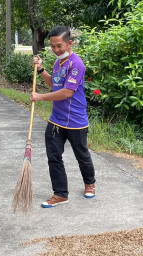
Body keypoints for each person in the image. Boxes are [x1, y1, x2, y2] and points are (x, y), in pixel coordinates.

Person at [31, 26, 96, 208]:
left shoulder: (77, 64)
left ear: (69, 43)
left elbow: (67, 92)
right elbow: (54, 83)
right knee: (53, 157)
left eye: (59, 46)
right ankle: (60, 194)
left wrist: (40, 97)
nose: (56, 50)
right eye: (52, 46)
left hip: (76, 120)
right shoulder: (58, 63)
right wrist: (41, 69)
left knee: (81, 155)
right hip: (56, 119)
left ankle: (90, 183)